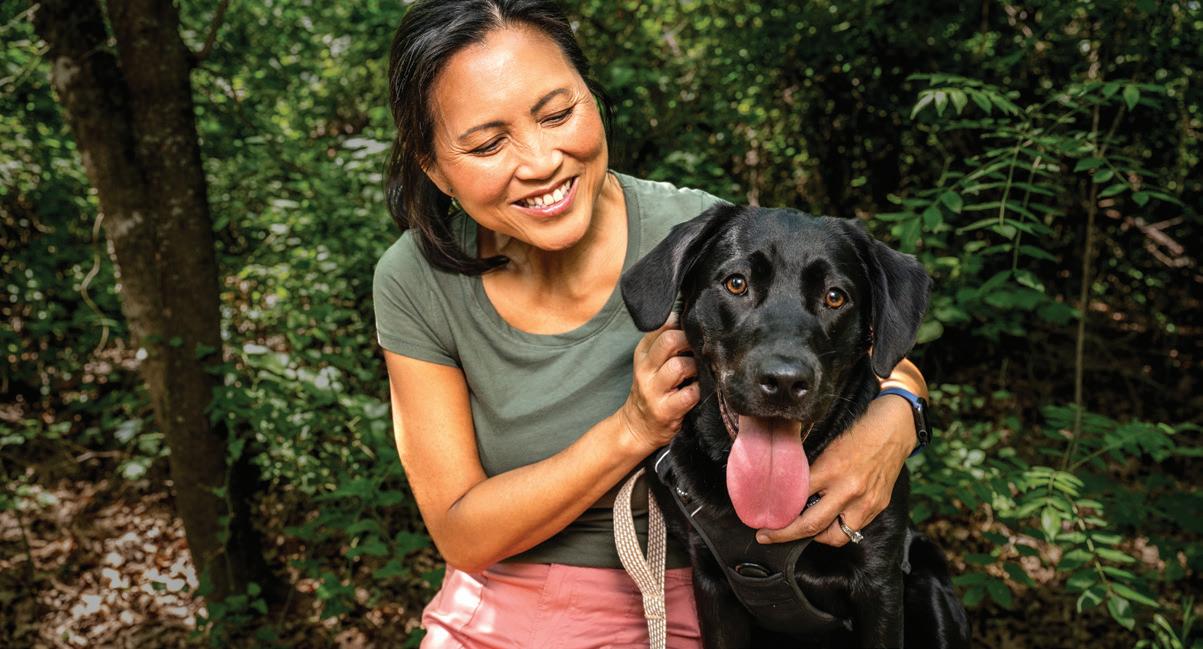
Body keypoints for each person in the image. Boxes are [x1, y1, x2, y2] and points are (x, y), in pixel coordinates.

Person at [373, 1, 930, 646]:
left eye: (557, 114)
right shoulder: (417, 279)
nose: (540, 161)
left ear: (592, 97)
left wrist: (899, 416)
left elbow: (856, 349)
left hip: (692, 598)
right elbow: (461, 534)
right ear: (434, 166)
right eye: (487, 144)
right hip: (498, 605)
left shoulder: (702, 237)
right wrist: (632, 429)